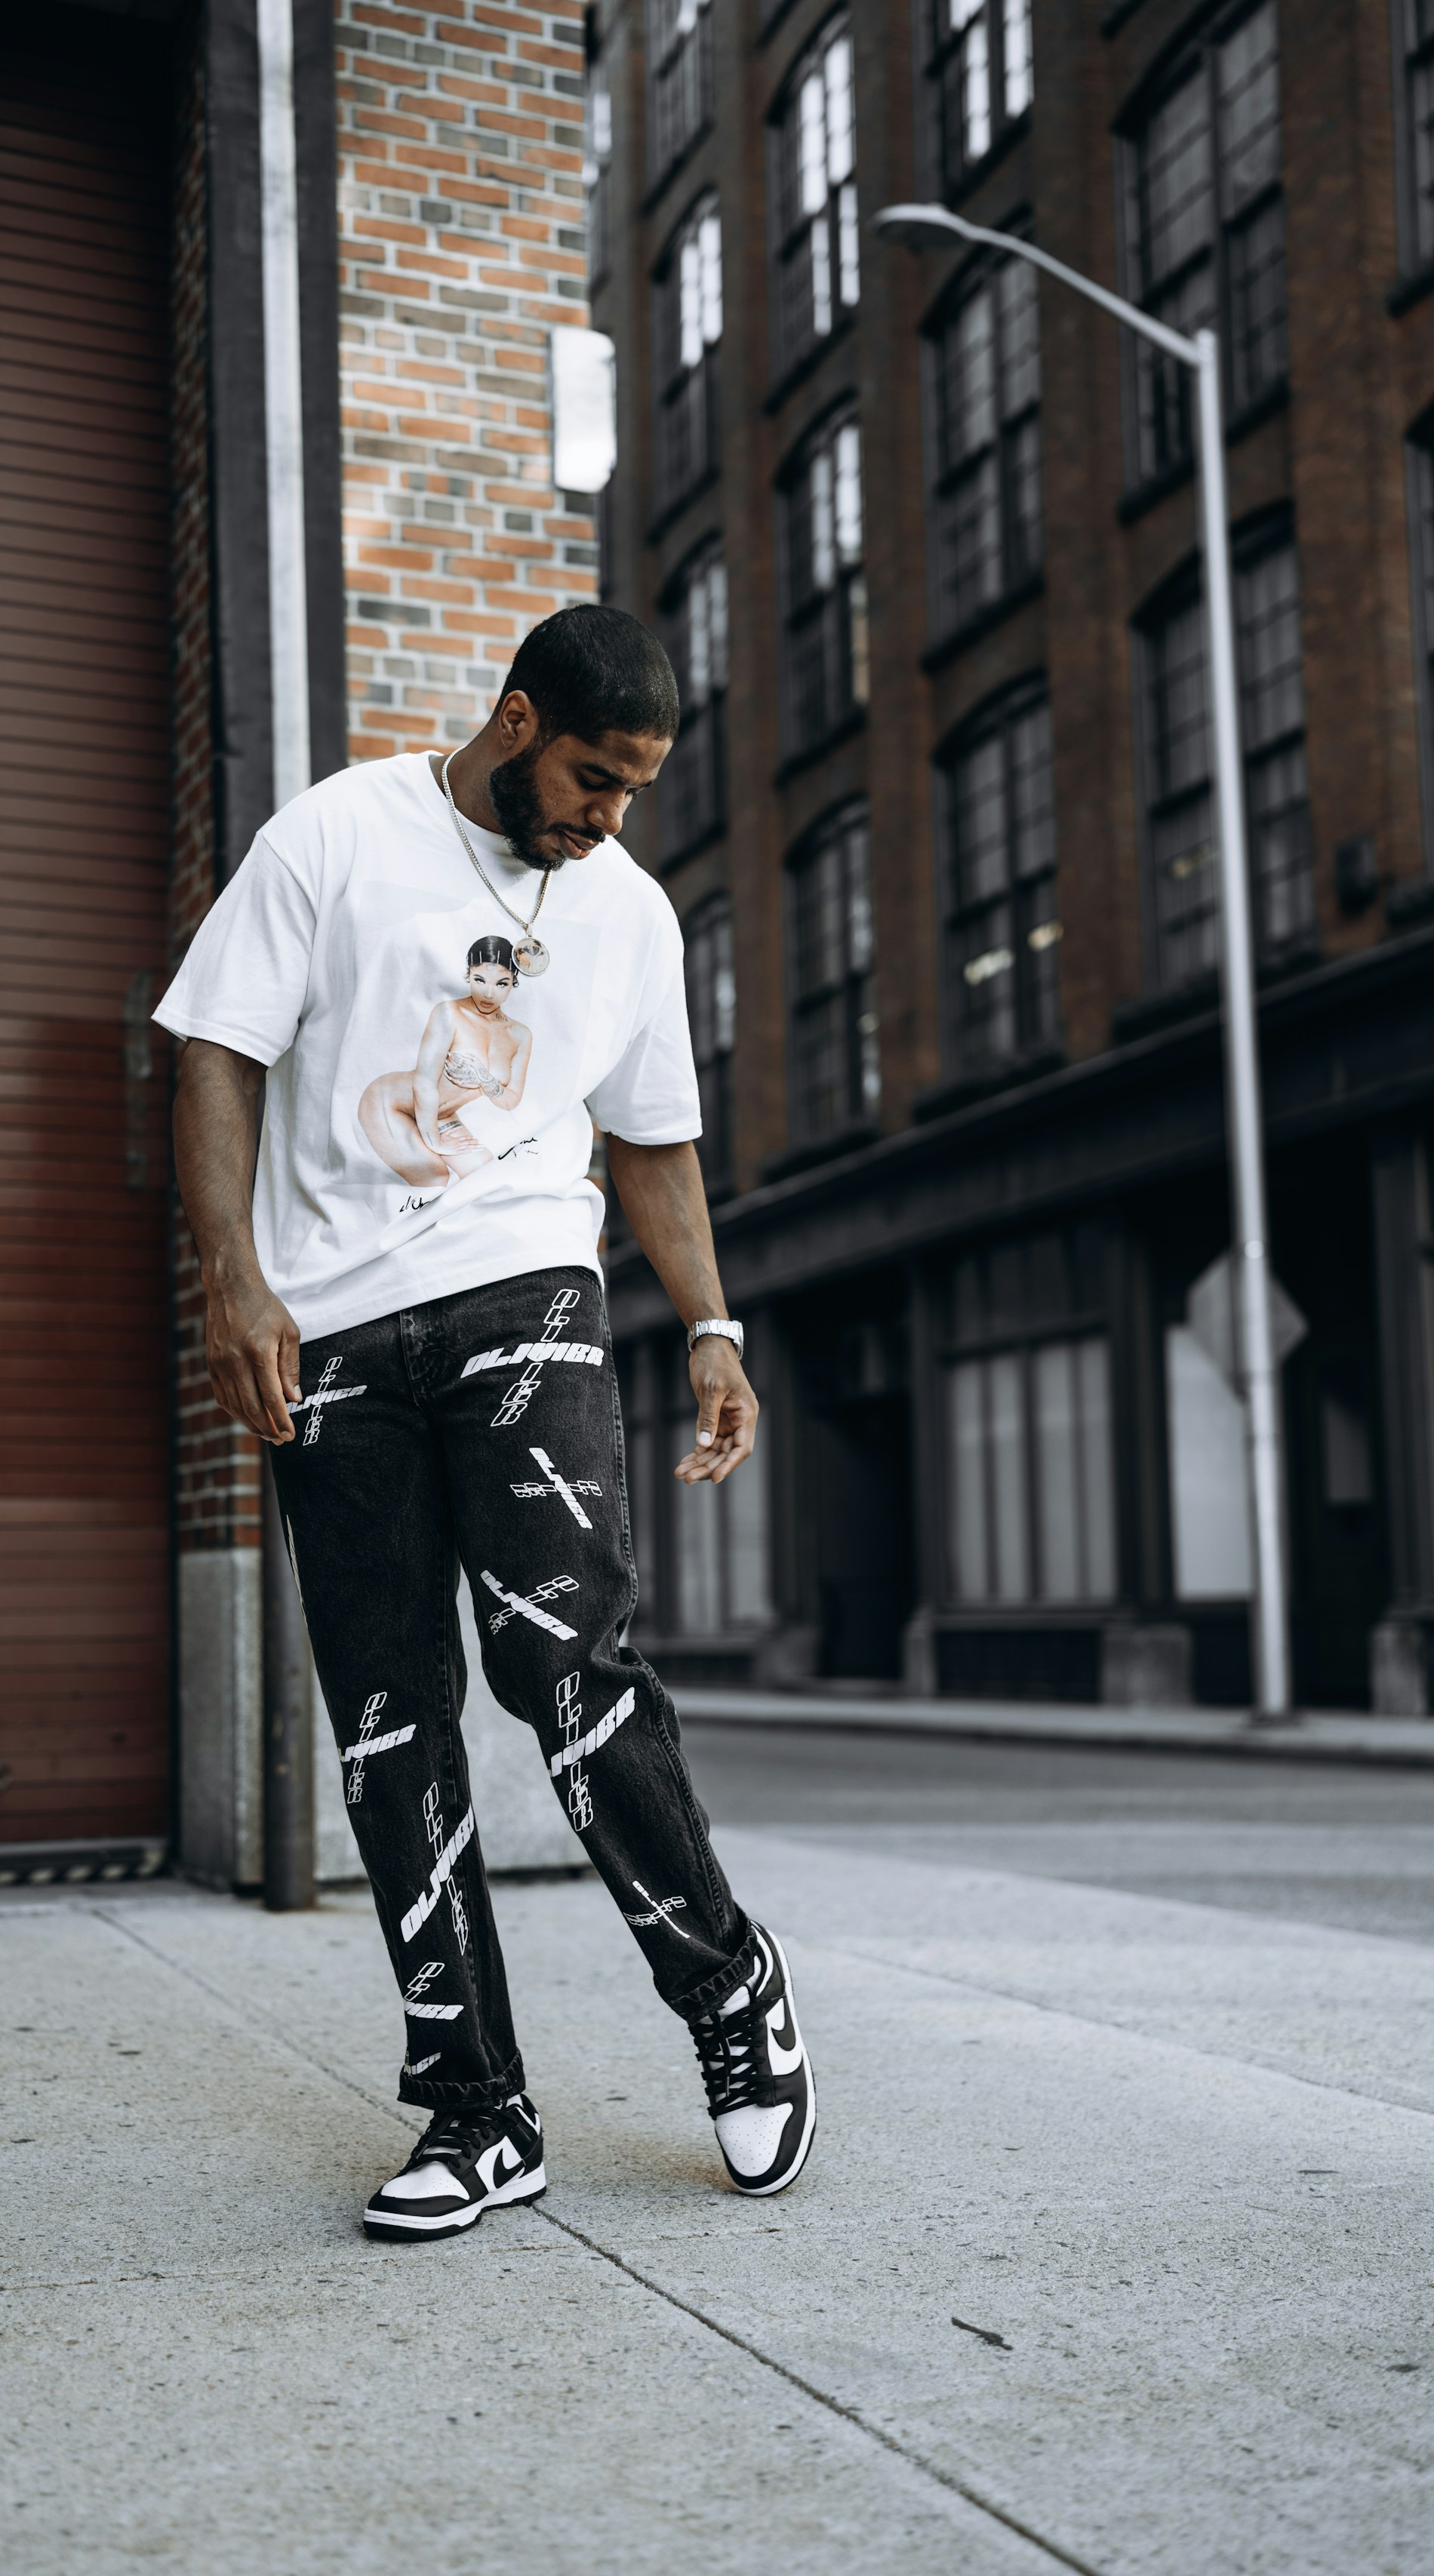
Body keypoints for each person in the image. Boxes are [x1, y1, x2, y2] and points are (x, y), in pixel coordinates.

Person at [157, 602, 814, 2241]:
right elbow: (217, 1052)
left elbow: (651, 1141)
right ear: (517, 722)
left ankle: (730, 1991)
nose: (613, 815)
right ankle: (475, 2103)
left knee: (562, 1662)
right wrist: (236, 1282)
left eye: (639, 788)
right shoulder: (336, 837)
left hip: (528, 1288)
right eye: (597, 776)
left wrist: (716, 1322)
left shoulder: (633, 913)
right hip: (338, 1326)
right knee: (387, 1716)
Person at [358, 932, 532, 1206]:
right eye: (479, 980)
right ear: (468, 976)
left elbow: (511, 1100)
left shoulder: (520, 1034)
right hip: (392, 1102)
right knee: (434, 1178)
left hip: (443, 1116)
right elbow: (425, 1083)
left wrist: (484, 1079)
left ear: (514, 982)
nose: (489, 993)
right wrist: (435, 1142)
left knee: (486, 1180)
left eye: (501, 983)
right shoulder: (449, 1013)